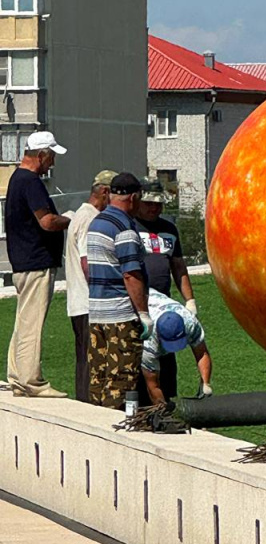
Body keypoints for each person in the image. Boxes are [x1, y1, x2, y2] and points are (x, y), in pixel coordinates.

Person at [4, 131, 72, 398]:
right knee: (33, 322)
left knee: (23, 320)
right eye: (51, 156)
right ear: (42, 155)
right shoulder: (31, 182)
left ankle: (16, 375)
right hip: (36, 261)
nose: (52, 163)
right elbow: (46, 222)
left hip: (21, 261)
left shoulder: (16, 179)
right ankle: (32, 381)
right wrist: (69, 219)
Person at [86, 172, 152, 409]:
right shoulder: (124, 228)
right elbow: (131, 275)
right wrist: (143, 314)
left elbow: (87, 267)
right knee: (121, 380)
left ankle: (95, 430)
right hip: (121, 318)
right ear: (133, 198)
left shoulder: (97, 223)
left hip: (96, 315)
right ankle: (115, 432)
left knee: (98, 377)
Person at [135, 179, 197, 401]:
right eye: (149, 204)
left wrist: (189, 301)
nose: (154, 208)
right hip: (138, 305)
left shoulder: (169, 229)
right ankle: (141, 406)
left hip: (164, 307)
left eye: (158, 204)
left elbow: (178, 267)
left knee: (167, 356)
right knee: (141, 360)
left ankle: (168, 401)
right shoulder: (130, 226)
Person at [65, 171, 116, 402]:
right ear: (104, 192)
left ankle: (86, 402)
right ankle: (88, 405)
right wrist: (100, 295)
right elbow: (88, 263)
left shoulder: (81, 214)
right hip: (88, 302)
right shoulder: (90, 218)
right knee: (91, 358)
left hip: (79, 302)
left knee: (84, 358)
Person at [140, 290, 212, 405]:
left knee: (168, 375)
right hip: (128, 303)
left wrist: (205, 384)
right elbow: (152, 385)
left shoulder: (190, 322)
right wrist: (162, 412)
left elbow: (202, 353)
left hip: (155, 304)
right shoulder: (148, 340)